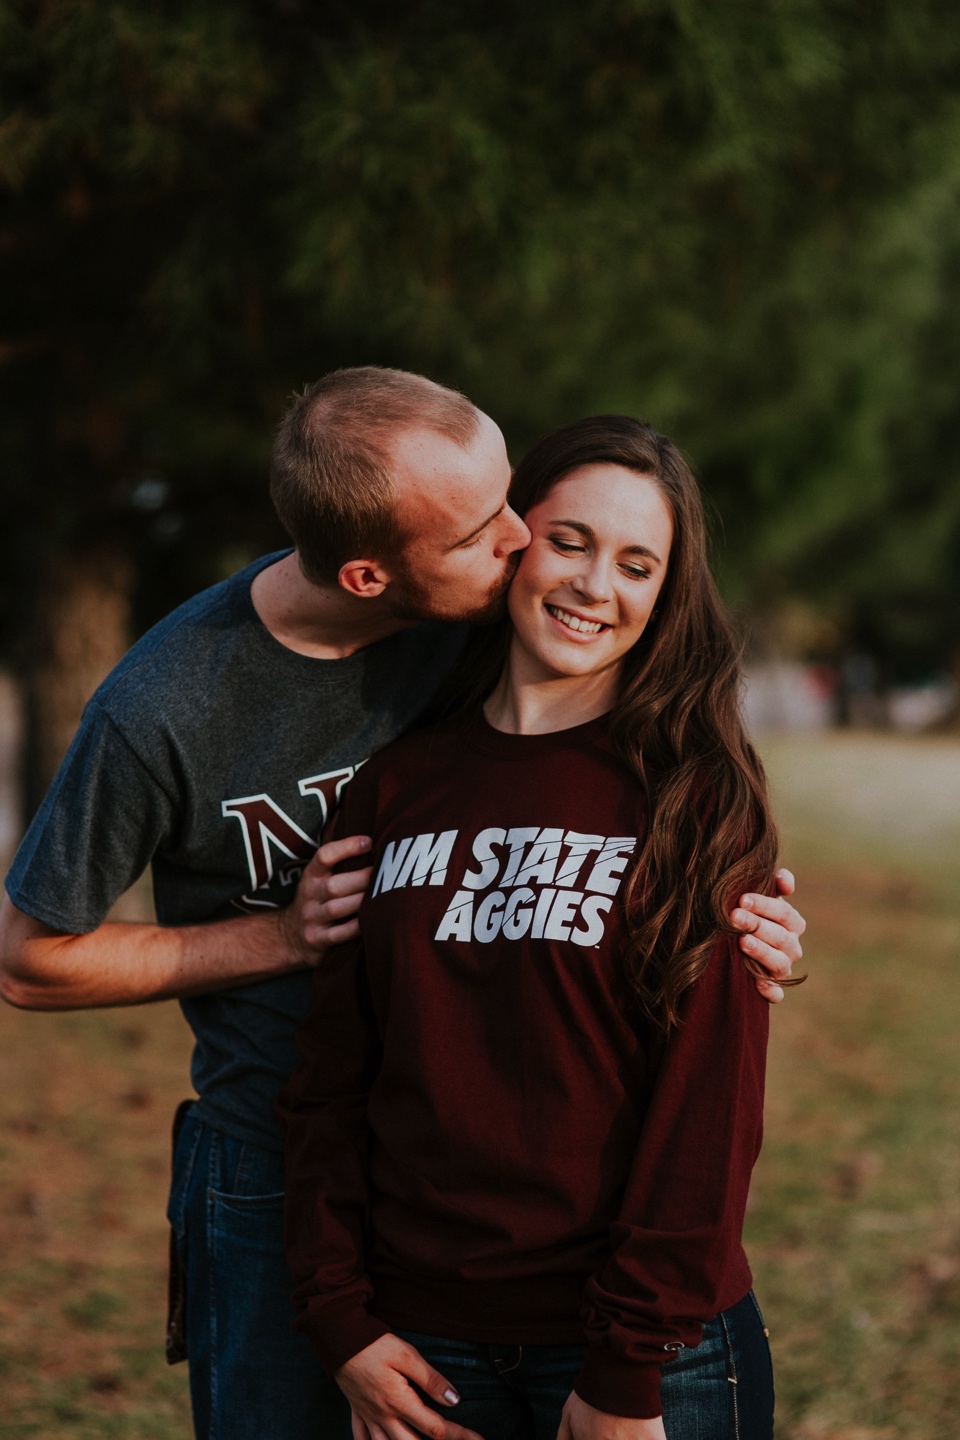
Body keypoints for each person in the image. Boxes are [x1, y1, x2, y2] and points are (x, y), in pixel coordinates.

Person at [0, 371, 803, 1440]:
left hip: (592, 1289)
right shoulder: (183, 709)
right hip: (311, 1198)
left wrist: (737, 931)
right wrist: (284, 937)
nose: (526, 547)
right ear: (374, 575)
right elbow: (32, 960)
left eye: (517, 503)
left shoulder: (547, 669)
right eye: (515, 535)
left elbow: (705, 1101)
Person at [281, 414, 792, 1440]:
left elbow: (709, 1113)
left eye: (638, 564)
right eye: (571, 542)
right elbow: (333, 1079)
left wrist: (624, 1376)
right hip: (421, 1354)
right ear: (513, 542)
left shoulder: (696, 796)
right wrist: (341, 1324)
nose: (596, 585)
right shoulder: (396, 786)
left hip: (643, 1354)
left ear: (664, 594)